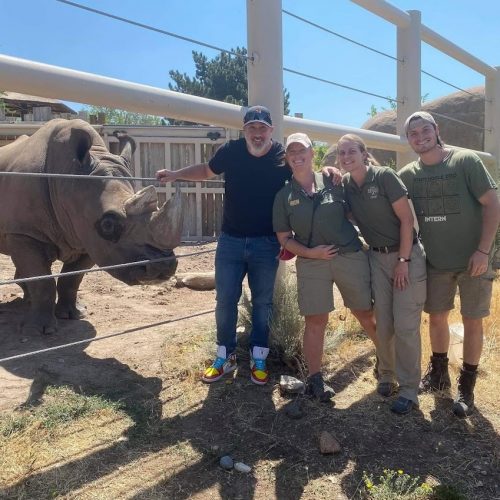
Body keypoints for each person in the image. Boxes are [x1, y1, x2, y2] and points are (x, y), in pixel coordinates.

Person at [156, 106, 291, 385]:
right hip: (230, 242)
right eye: (252, 127)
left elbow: (303, 175)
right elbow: (206, 170)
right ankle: (225, 357)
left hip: (267, 244)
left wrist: (328, 171)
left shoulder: (282, 155)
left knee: (263, 303)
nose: (257, 133)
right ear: (244, 130)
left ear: (271, 131)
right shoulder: (231, 150)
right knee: (224, 301)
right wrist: (175, 174)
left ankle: (259, 357)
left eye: (262, 128)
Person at [399, 111, 500, 417]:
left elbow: (493, 203)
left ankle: (467, 386)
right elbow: (383, 194)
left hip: (474, 260)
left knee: (472, 320)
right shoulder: (408, 174)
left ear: (436, 130)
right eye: (413, 133)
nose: (420, 137)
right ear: (409, 140)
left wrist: (483, 251)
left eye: (424, 130)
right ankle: (439, 372)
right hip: (436, 261)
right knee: (437, 317)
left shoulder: (465, 161)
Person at [273, 133, 377, 402]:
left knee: (364, 312)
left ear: (312, 153)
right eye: (291, 151)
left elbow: (357, 210)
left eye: (302, 150)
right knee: (315, 320)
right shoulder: (284, 196)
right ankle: (315, 379)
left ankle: (388, 363)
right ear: (287, 158)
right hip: (311, 262)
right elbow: (284, 237)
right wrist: (310, 252)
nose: (297, 155)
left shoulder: (334, 181)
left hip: (348, 256)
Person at [336, 134, 426, 414]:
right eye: (341, 153)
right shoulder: (347, 185)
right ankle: (386, 374)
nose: (346, 156)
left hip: (406, 256)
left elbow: (407, 220)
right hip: (376, 257)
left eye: (352, 151)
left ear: (364, 153)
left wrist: (403, 259)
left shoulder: (384, 176)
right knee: (384, 322)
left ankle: (410, 389)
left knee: (406, 325)